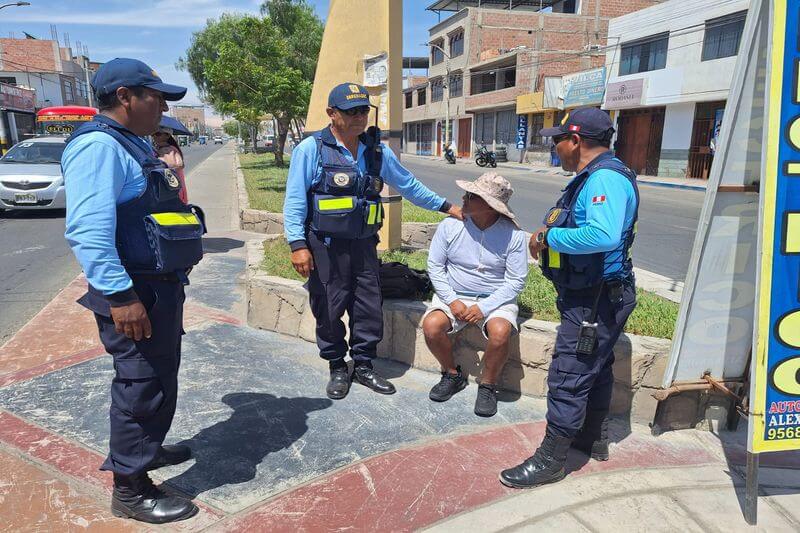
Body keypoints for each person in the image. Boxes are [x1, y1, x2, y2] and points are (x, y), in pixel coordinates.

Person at [62, 58, 205, 523]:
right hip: (133, 291)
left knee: (159, 378)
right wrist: (120, 297)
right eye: (155, 95)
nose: (163, 105)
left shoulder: (131, 143)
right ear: (124, 96)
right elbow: (88, 230)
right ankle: (130, 489)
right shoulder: (99, 146)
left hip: (157, 287)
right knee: (141, 385)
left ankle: (147, 450)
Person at [283, 82, 462, 401]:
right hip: (324, 246)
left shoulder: (376, 151)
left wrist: (449, 208)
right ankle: (338, 366)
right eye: (351, 111)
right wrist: (297, 244)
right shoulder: (310, 150)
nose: (359, 117)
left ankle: (363, 365)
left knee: (368, 306)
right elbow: (295, 200)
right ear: (331, 113)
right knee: (328, 307)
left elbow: (408, 185)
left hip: (364, 245)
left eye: (364, 110)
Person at [499, 107, 639, 489]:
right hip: (596, 294)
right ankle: (592, 438)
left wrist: (546, 238)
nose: (554, 149)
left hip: (595, 299)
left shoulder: (604, 180)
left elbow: (603, 235)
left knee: (569, 375)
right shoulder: (596, 176)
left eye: (558, 141)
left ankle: (551, 460)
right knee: (595, 368)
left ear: (576, 141)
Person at [422, 172, 527, 417]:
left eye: (472, 196)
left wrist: (485, 307)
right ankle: (452, 374)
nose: (463, 198)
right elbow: (435, 267)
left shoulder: (513, 235)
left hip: (495, 298)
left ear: (490, 206)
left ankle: (488, 385)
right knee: (431, 325)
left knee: (500, 333)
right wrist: (452, 300)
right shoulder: (450, 226)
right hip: (455, 294)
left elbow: (515, 281)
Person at [152, 124, 188, 204]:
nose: (154, 136)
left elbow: (180, 165)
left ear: (167, 135)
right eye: (153, 134)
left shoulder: (171, 149)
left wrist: (161, 161)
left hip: (172, 187)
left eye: (158, 134)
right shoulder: (156, 149)